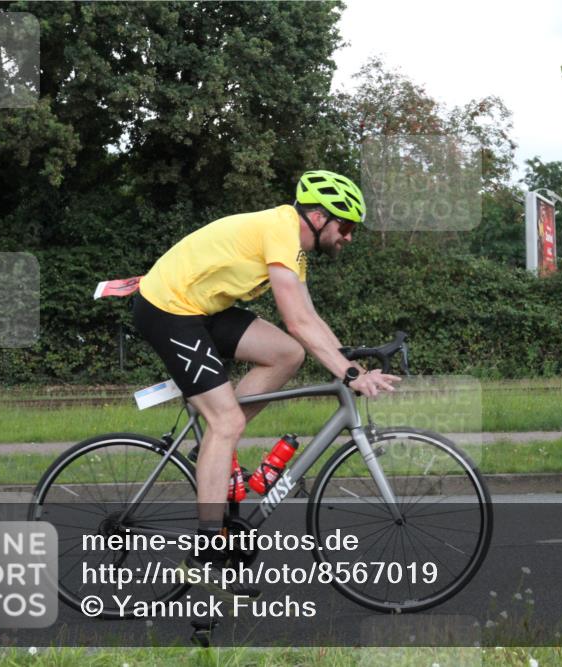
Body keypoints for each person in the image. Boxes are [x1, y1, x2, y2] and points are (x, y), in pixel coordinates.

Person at [132, 170, 400, 592]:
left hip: (201, 308)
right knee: (228, 423)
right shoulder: (281, 232)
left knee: (286, 354)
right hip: (168, 309)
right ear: (317, 216)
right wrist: (348, 374)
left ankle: (214, 450)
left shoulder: (290, 246)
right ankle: (205, 553)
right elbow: (294, 320)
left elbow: (308, 321)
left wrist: (350, 361)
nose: (349, 237)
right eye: (346, 226)